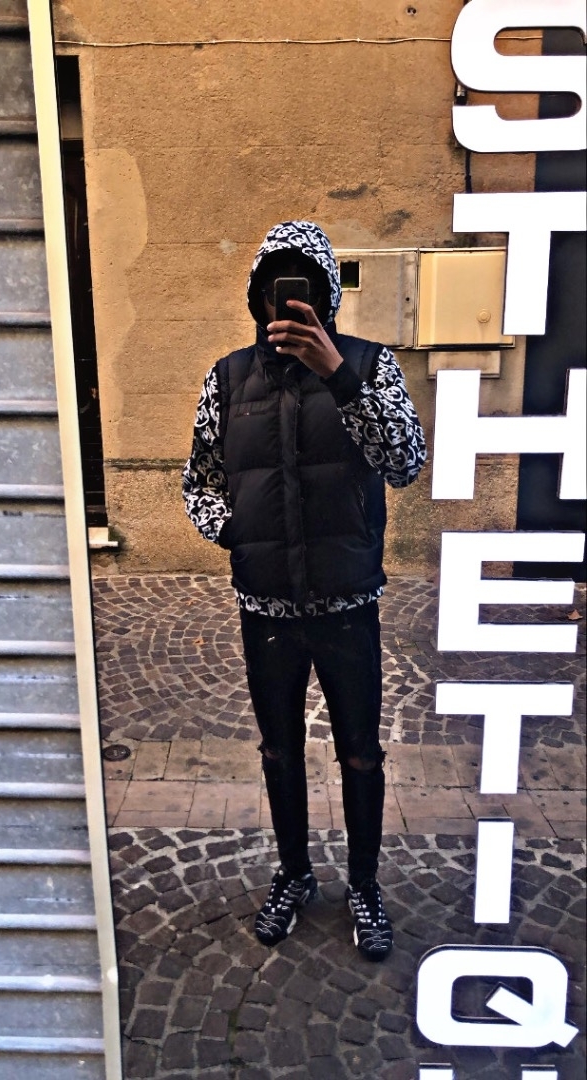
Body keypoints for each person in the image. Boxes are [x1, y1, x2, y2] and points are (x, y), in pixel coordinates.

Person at [183, 221, 426, 961]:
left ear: (326, 297)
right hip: (267, 608)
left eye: (305, 288)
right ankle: (293, 874)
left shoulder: (370, 365)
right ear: (258, 297)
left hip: (347, 603)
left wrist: (340, 376)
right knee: (280, 752)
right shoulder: (227, 379)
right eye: (275, 288)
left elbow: (404, 461)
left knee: (361, 754)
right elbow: (200, 481)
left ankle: (364, 885)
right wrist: (235, 529)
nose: (288, 301)